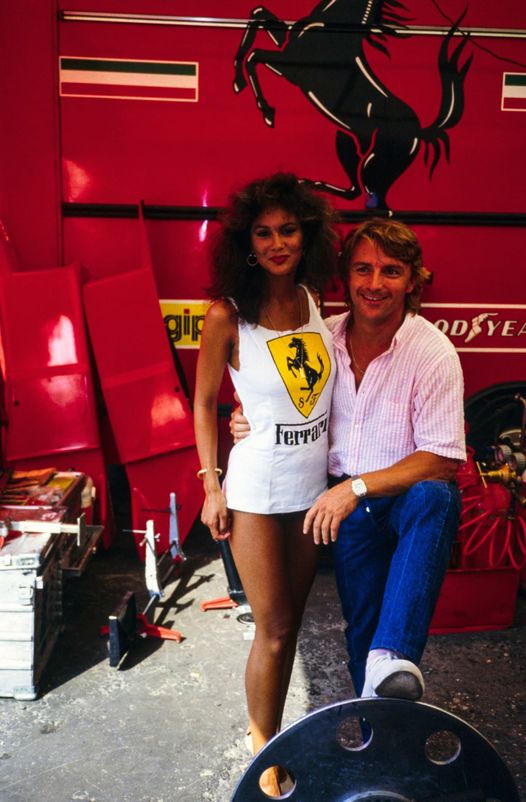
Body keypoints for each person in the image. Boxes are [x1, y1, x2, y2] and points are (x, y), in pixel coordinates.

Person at [232, 217, 466, 703]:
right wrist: (251, 418)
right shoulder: (324, 339)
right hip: (346, 509)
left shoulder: (432, 352)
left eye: (391, 271)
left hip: (393, 499)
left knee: (435, 495)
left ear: (413, 280)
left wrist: (355, 488)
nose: (375, 284)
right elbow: (279, 396)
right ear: (346, 276)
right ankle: (375, 732)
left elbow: (444, 458)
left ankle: (391, 654)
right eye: (363, 270)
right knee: (362, 629)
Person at [193, 172, 338, 796]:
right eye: (264, 233)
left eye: (289, 230)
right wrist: (211, 486)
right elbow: (203, 403)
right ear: (247, 243)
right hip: (255, 491)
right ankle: (264, 758)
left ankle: (273, 737)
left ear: (305, 238)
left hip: (311, 492)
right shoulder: (228, 315)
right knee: (274, 628)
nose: (278, 242)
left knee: (290, 627)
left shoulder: (312, 301)